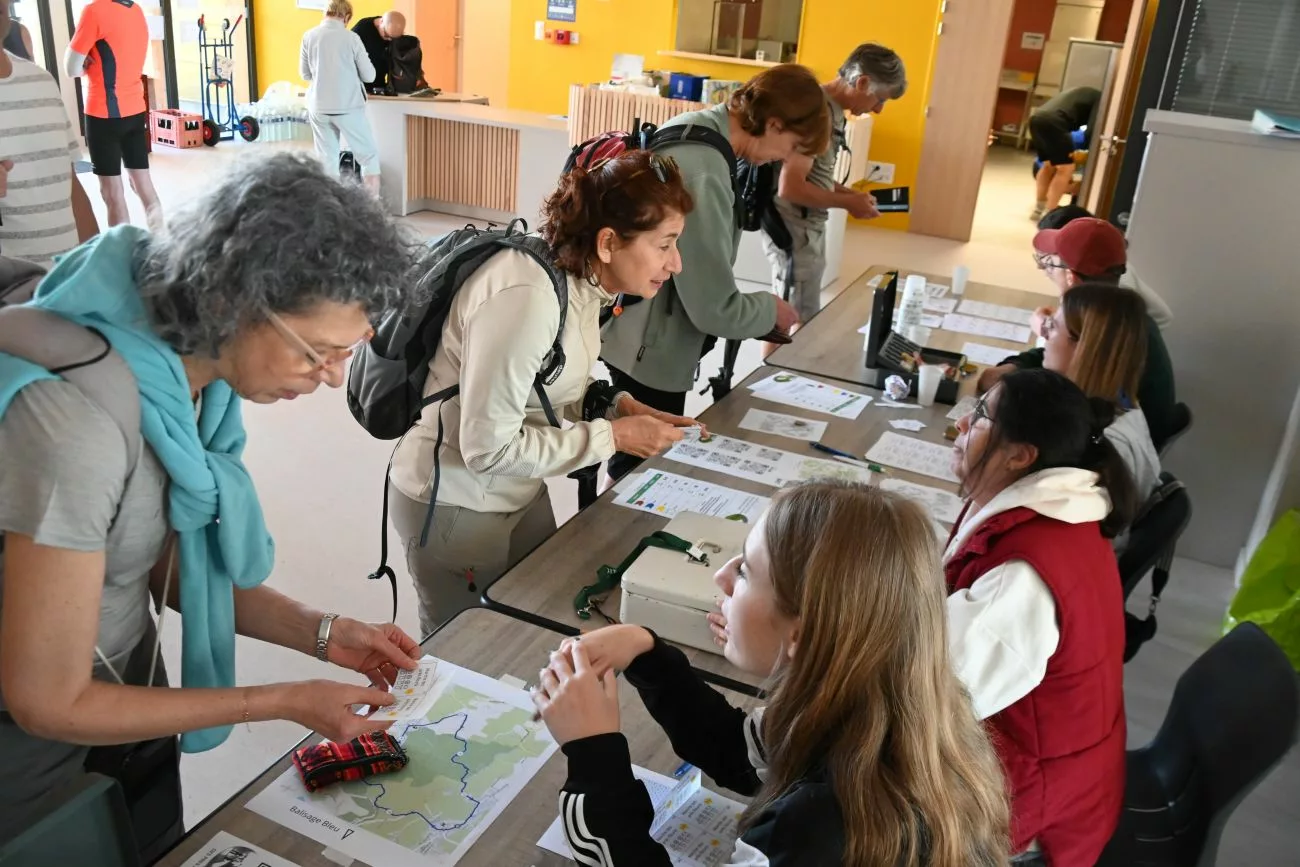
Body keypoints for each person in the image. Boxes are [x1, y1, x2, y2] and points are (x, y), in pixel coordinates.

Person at [0, 154, 423, 854]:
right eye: (316, 353)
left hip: (123, 695)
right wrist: (283, 698)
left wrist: (321, 630)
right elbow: (47, 698)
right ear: (232, 303)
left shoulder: (187, 376)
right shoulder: (76, 422)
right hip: (30, 756)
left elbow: (148, 551)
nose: (329, 379)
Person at [534, 482, 1010, 866]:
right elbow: (737, 749)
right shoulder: (889, 703)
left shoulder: (813, 829)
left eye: (745, 572)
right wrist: (646, 653)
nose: (721, 576)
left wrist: (593, 757)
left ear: (799, 635)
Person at [389, 151, 703, 636]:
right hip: (456, 506)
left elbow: (552, 378)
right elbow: (488, 449)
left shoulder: (577, 278)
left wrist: (614, 404)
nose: (676, 263)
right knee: (469, 657)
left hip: (517, 492)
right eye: (666, 244)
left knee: (539, 625)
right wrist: (613, 438)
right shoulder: (527, 296)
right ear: (607, 242)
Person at [946, 368, 1136, 865]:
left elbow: (918, 692)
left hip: (1033, 808)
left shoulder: (1021, 580)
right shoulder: (1055, 510)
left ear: (1020, 456)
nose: (962, 423)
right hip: (1055, 768)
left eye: (981, 415)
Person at [601, 64, 826, 481]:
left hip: (632, 324)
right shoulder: (704, 168)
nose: (787, 159)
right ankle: (611, 541)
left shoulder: (698, 128)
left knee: (635, 452)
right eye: (792, 145)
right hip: (653, 343)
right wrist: (768, 311)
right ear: (773, 124)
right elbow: (713, 306)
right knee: (642, 463)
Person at [978, 216, 1178, 447]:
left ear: (1071, 276)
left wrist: (1010, 383)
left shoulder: (1106, 338)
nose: (1045, 269)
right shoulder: (1118, 313)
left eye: (1050, 264)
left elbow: (1056, 393)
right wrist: (1017, 366)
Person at [760, 43, 905, 342]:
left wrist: (850, 195)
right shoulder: (819, 113)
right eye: (879, 99)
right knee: (791, 316)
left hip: (805, 228)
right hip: (792, 230)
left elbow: (815, 176)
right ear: (862, 82)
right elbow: (790, 187)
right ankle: (771, 383)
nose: (878, 109)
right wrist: (847, 203)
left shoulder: (830, 109)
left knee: (803, 312)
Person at [1, 1, 98, 265]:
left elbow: (70, 186)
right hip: (11, 299)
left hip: (63, 293)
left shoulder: (41, 82)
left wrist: (96, 267)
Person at [1043, 283, 1162, 499]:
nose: (1044, 335)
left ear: (1083, 347)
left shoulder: (1097, 446)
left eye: (1052, 326)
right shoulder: (1121, 399)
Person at [64, 0, 162, 229]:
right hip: (135, 109)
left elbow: (70, 69)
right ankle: (164, 246)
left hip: (103, 115)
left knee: (112, 193)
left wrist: (86, 62)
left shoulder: (94, 11)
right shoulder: (136, 10)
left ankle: (120, 254)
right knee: (143, 186)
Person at [1037, 204, 1172, 328]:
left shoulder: (1114, 291)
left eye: (1049, 257)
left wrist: (1045, 327)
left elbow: (1076, 341)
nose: (1043, 267)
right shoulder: (1100, 271)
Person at [301, 0, 381, 193]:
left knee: (327, 161)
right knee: (368, 157)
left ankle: (331, 210)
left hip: (318, 107)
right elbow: (370, 75)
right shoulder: (351, 38)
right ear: (346, 17)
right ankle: (372, 209)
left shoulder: (308, 36)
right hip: (348, 107)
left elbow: (305, 74)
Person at [1028, 86, 1099, 220]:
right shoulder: (1100, 99)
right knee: (1066, 169)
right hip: (1056, 122)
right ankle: (1050, 213)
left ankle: (1039, 209)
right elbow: (1091, 131)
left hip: (1037, 118)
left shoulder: (1083, 92)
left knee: (1048, 165)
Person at [352, 9, 405, 93]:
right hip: (361, 88)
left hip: (380, 87)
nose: (389, 39)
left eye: (393, 38)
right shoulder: (362, 29)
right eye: (386, 35)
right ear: (381, 22)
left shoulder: (394, 32)